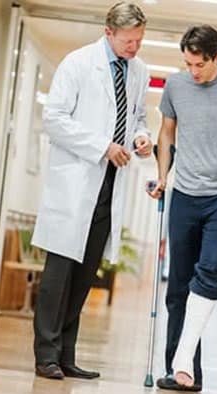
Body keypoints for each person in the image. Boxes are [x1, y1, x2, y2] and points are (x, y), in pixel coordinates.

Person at [31, 1, 153, 381]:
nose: (135, 48)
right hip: (76, 183)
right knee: (59, 274)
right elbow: (54, 119)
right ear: (108, 32)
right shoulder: (78, 63)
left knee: (85, 276)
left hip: (108, 186)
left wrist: (142, 138)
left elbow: (139, 118)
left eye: (139, 41)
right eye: (129, 41)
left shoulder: (139, 71)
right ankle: (45, 354)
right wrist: (102, 146)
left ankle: (67, 354)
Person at [147, 25, 217, 391]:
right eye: (188, 63)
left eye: (200, 64)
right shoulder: (176, 86)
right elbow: (166, 134)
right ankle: (183, 372)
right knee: (178, 287)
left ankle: (183, 364)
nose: (193, 71)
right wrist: (163, 177)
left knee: (210, 269)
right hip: (184, 194)